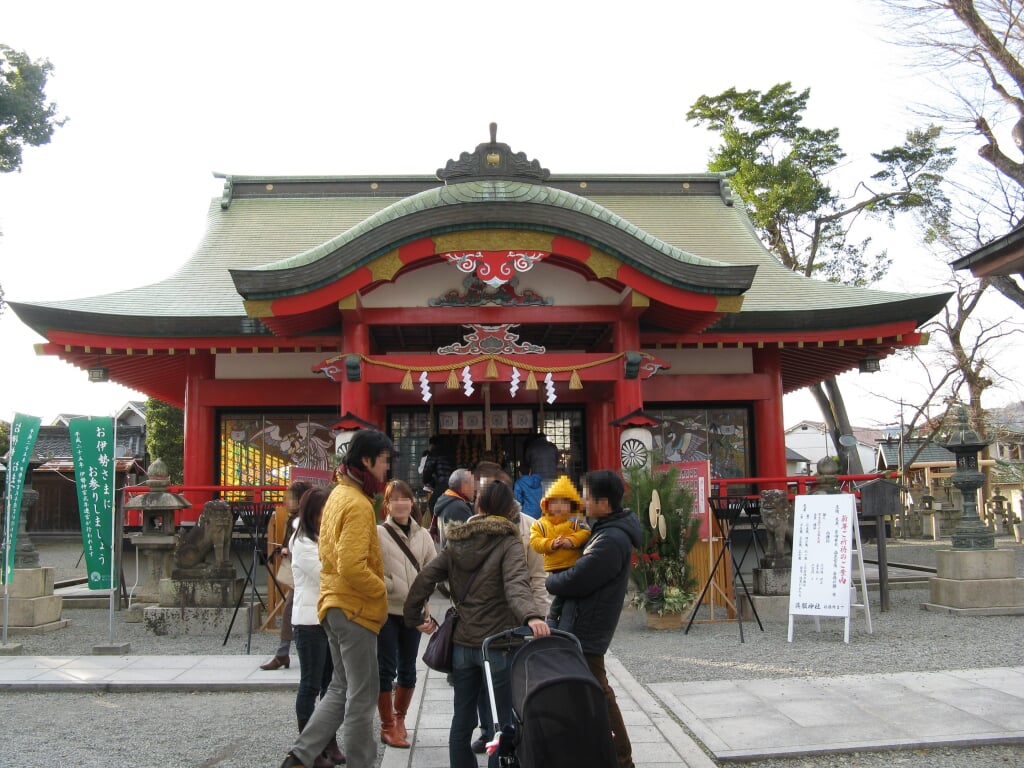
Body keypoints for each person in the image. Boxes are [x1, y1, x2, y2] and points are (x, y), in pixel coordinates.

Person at [404, 479, 550, 768]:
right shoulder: (509, 541)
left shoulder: (457, 540)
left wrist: (413, 615)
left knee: (462, 717)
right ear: (510, 509)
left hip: (462, 643)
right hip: (498, 644)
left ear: (478, 507)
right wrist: (532, 616)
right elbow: (516, 586)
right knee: (501, 719)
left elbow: (426, 576)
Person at [278, 429, 395, 768]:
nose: (386, 471)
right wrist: (381, 590)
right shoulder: (358, 504)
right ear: (367, 461)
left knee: (339, 688)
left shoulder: (337, 495)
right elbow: (352, 566)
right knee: (361, 697)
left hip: (333, 606)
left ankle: (300, 756)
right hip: (355, 609)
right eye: (384, 462)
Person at [545, 470, 642, 768]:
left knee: (598, 692)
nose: (583, 502)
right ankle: (596, 753)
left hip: (589, 626)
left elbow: (579, 578)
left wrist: (552, 580)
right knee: (587, 692)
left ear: (604, 503)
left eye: (587, 497)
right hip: (584, 621)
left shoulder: (611, 538)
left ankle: (622, 758)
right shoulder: (604, 529)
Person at [376, 479, 437, 749]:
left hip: (412, 612)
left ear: (413, 502)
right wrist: (393, 586)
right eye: (394, 499)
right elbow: (373, 570)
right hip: (387, 610)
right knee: (385, 669)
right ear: (386, 504)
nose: (400, 503)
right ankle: (387, 724)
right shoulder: (378, 533)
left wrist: (421, 600)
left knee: (409, 668)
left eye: (405, 498)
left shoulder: (423, 535)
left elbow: (432, 570)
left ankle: (400, 719)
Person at [289, 487, 345, 768]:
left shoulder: (326, 537)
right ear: (310, 513)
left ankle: (328, 741)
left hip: (329, 620)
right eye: (321, 512)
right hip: (309, 621)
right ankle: (307, 749)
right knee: (310, 686)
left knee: (330, 686)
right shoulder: (302, 542)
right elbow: (327, 574)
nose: (325, 516)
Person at [261, 480, 312, 671]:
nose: (287, 501)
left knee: (293, 610)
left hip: (307, 573)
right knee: (292, 610)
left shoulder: (304, 519)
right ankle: (283, 653)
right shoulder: (296, 518)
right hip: (301, 573)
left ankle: (284, 654)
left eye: (291, 498)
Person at [529, 475, 590, 625]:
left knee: (568, 592)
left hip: (573, 563)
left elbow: (586, 532)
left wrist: (572, 540)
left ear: (572, 504)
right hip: (554, 566)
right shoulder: (541, 524)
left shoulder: (576, 520)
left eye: (564, 502)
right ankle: (554, 615)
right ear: (547, 504)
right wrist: (550, 544)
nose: (558, 506)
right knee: (565, 591)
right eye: (554, 501)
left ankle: (556, 617)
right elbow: (535, 541)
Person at [432, 467, 475, 547]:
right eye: (472, 483)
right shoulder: (458, 507)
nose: (474, 488)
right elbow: (469, 542)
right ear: (464, 485)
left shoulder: (446, 500)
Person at [421, 436, 455, 515]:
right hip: (454, 485)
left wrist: (427, 481)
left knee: (432, 503)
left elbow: (427, 472)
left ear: (432, 445)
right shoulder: (449, 455)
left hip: (443, 485)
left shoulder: (433, 454)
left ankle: (435, 525)